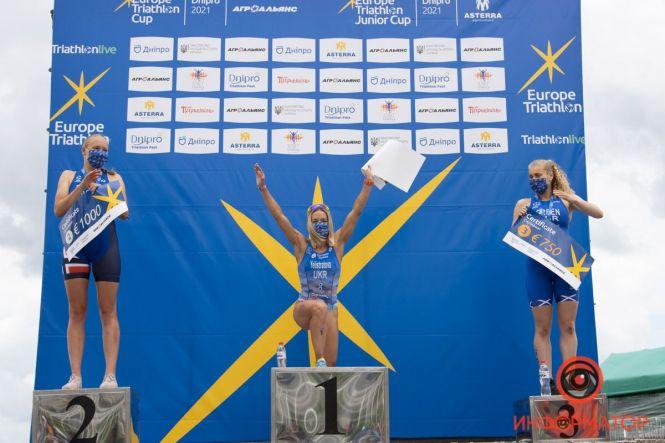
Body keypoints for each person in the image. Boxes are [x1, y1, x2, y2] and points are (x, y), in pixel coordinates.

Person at [254, 163, 374, 367]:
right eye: (316, 220)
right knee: (319, 306)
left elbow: (356, 213)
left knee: (332, 363)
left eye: (323, 220)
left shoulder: (337, 244)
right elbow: (279, 217)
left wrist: (368, 183)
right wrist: (263, 188)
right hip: (304, 307)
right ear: (310, 223)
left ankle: (324, 369)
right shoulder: (301, 244)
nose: (320, 224)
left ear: (329, 222)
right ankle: (319, 360)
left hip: (330, 309)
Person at [512, 159, 603, 392]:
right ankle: (546, 381)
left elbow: (598, 213)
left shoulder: (565, 200)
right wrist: (520, 218)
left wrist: (575, 199)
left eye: (539, 175)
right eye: (531, 177)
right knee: (542, 329)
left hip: (565, 268)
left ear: (551, 175)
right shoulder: (523, 203)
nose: (535, 180)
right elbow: (515, 237)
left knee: (569, 326)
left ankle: (570, 378)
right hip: (537, 270)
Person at [53, 133, 129, 389]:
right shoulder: (68, 176)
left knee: (108, 311)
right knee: (77, 311)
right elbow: (58, 209)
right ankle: (75, 376)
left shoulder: (114, 177)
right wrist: (82, 187)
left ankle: (110, 376)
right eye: (95, 148)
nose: (100, 153)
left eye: (104, 149)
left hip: (105, 247)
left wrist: (106, 192)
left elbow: (125, 213)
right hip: (76, 248)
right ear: (84, 150)